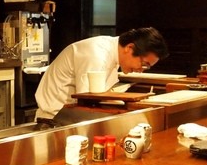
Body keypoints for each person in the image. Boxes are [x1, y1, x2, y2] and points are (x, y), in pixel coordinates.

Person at [34, 27, 169, 121]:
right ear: (129, 48)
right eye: (144, 64)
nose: (141, 70)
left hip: (69, 116)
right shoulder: (97, 54)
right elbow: (87, 102)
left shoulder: (111, 51)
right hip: (54, 119)